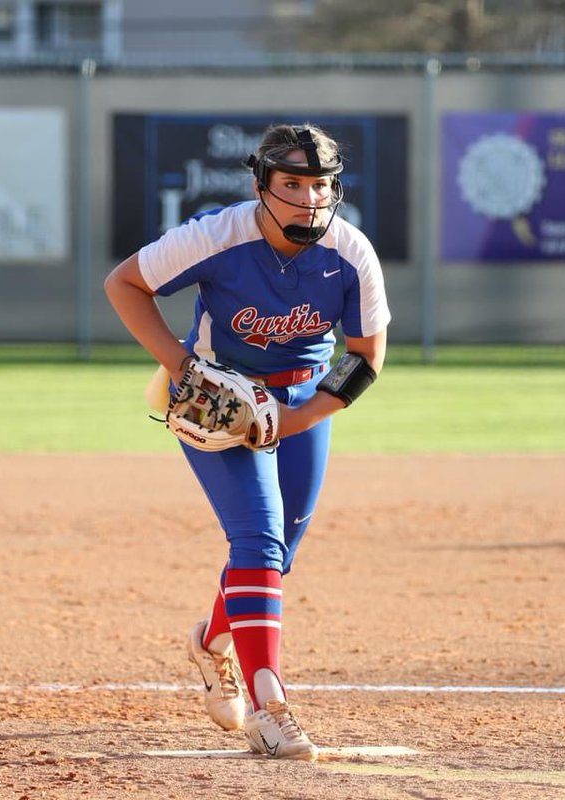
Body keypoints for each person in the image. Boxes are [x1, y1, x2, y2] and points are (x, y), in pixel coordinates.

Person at [104, 123, 390, 761]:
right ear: (262, 185)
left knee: (279, 550)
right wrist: (183, 370)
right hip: (221, 404)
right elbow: (125, 284)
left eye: (320, 185)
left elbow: (366, 356)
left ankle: (210, 643)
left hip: (302, 403)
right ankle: (271, 707)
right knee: (257, 540)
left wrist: (300, 418)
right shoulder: (218, 235)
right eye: (291, 183)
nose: (308, 198)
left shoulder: (350, 252)